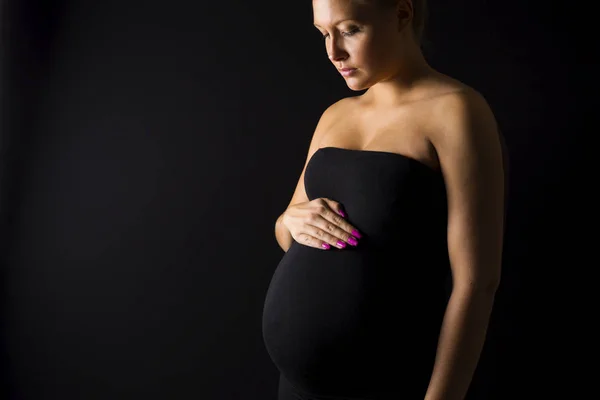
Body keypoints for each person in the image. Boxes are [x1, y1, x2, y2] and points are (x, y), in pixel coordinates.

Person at [262, 0, 508, 399]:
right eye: (324, 33)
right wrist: (289, 221)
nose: (333, 52)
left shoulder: (456, 111)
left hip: (389, 378)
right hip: (296, 387)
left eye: (350, 29)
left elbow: (477, 282)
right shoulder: (335, 115)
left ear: (402, 13)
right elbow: (286, 231)